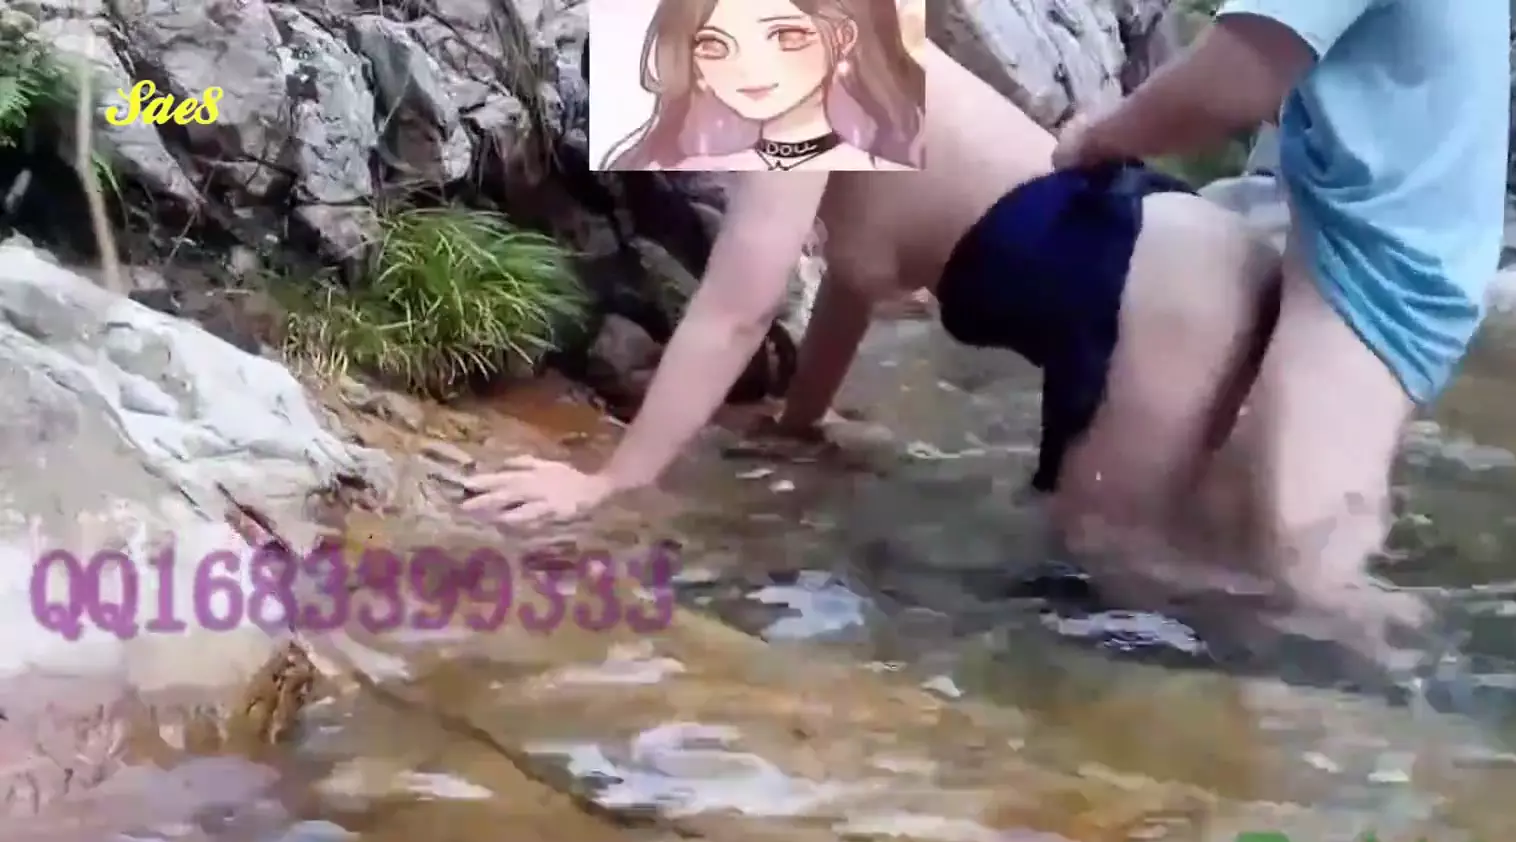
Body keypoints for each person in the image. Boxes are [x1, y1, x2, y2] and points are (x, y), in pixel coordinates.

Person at [469, 41, 1281, 597]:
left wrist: (613, 481)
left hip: (1158, 289)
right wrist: (800, 422)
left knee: (1122, 581)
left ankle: (1335, 686)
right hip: (1179, 264)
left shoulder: (780, 63)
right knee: (1161, 564)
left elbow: (739, 308)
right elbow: (852, 282)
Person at [1052, 1, 1511, 625]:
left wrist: (1097, 139)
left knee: (1301, 557)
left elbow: (1235, 79)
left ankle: (1399, 675)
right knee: (1232, 511)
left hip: (1383, 271)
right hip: (1404, 235)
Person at [600, 0, 926, 172]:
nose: (748, 68)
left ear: (843, 37)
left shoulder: (885, 173)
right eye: (713, 44)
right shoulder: (677, 171)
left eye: (786, 35)